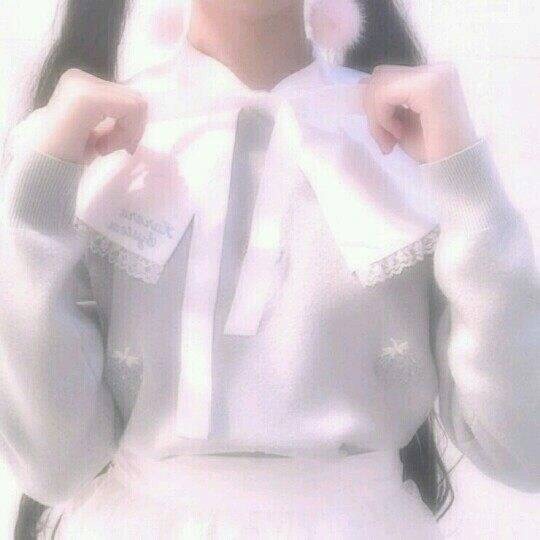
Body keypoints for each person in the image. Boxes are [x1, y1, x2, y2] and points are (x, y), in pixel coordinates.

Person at [1, 0, 539, 538]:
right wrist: (37, 200)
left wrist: (466, 180)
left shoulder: (413, 138)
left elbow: (523, 449)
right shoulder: (91, 141)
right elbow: (52, 465)